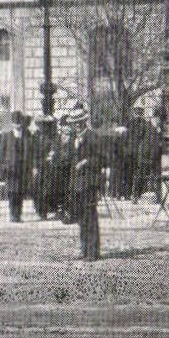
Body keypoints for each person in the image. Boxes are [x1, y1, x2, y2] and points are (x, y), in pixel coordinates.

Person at [69, 110, 101, 261]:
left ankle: (93, 251)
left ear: (84, 121)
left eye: (79, 122)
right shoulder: (73, 138)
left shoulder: (92, 136)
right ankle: (84, 249)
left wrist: (85, 162)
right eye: (74, 123)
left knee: (90, 216)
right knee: (81, 217)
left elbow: (100, 158)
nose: (76, 125)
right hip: (76, 183)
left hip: (89, 182)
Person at [0, 110, 29, 223]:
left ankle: (18, 214)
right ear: (12, 123)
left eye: (19, 123)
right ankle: (12, 214)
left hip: (22, 168)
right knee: (12, 192)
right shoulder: (6, 135)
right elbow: (1, 152)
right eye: (15, 123)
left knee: (20, 192)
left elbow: (30, 151)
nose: (17, 125)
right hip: (10, 168)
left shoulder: (26, 135)